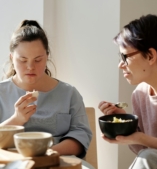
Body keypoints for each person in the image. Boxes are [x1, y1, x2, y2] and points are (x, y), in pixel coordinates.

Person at [0, 20, 92, 158]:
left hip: (59, 161)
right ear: (12, 58)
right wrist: (17, 119)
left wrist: (50, 153)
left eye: (38, 60)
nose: (30, 67)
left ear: (47, 57)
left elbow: (81, 135)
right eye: (23, 60)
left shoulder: (69, 93)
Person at [98, 14, 157, 169]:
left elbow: (150, 156)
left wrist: (143, 139)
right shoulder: (139, 94)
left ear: (150, 56)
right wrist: (128, 126)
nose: (120, 65)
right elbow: (142, 152)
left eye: (125, 56)